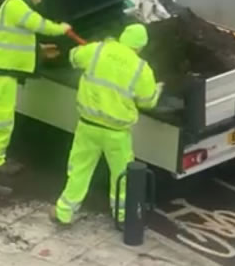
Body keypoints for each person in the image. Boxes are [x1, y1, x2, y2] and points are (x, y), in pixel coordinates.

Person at [51, 23, 162, 224]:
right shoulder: (141, 69)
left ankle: (64, 212)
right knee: (122, 175)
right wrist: (157, 90)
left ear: (122, 37)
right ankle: (122, 216)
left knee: (79, 170)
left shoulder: (98, 49)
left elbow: (73, 58)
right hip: (117, 133)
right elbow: (148, 103)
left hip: (88, 125)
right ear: (140, 47)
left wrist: (87, 51)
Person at [0, 0, 71, 172]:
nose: (39, 1)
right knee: (3, 117)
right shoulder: (18, 7)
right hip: (2, 70)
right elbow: (40, 25)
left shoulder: (11, 5)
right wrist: (62, 29)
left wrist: (38, 49)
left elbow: (17, 38)